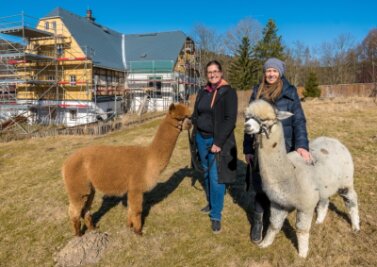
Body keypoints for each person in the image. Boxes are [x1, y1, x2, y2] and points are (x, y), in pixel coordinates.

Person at [243, 57, 312, 243]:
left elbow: (298, 120)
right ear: (264, 73)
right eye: (268, 71)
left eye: (274, 71)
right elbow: (248, 122)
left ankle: (275, 217)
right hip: (261, 150)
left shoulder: (290, 92)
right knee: (260, 185)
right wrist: (248, 148)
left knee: (281, 186)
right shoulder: (257, 92)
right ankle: (258, 221)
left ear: (280, 73)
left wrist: (302, 145)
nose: (271, 74)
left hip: (284, 147)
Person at [191, 60, 238, 234]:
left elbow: (230, 119)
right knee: (205, 171)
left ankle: (216, 215)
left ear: (221, 73)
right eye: (209, 72)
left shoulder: (228, 92)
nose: (212, 74)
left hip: (216, 140)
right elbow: (198, 113)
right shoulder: (203, 91)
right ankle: (211, 204)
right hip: (200, 138)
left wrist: (218, 142)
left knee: (216, 176)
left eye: (215, 71)